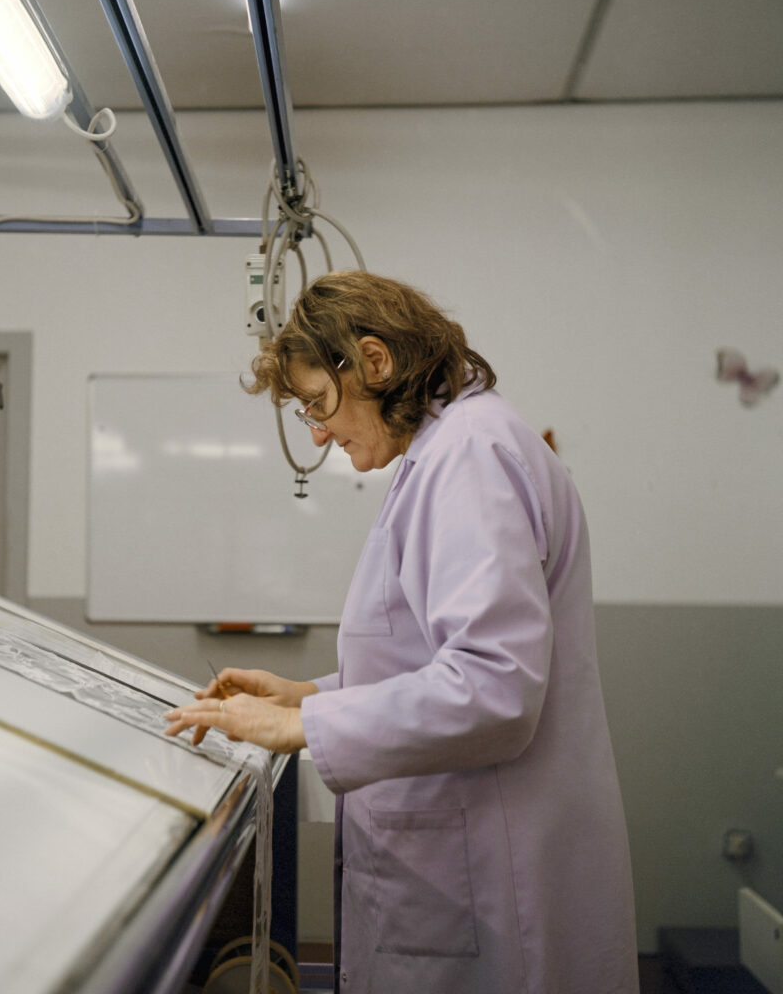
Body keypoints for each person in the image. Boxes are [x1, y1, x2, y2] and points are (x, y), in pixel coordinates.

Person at [165, 270, 639, 993]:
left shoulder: (470, 457)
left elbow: (493, 687)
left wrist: (303, 727)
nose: (318, 433)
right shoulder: (448, 454)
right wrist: (308, 695)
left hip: (488, 877)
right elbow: (432, 660)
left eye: (320, 402)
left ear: (375, 362)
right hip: (464, 864)